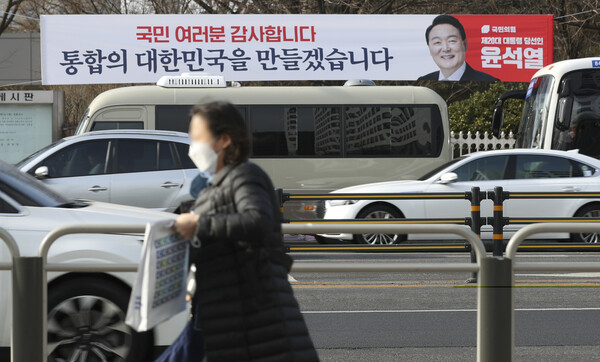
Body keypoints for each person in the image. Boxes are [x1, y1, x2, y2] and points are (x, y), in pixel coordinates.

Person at [171, 101, 319, 362]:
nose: (192, 145)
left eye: (197, 137)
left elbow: (257, 221)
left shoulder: (244, 175)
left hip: (251, 310)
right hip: (223, 307)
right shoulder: (213, 187)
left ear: (224, 140)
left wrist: (197, 224)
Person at [418, 15, 499, 82]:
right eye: (437, 42)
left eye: (452, 41)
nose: (445, 49)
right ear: (429, 48)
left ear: (465, 44)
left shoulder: (490, 81)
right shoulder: (423, 81)